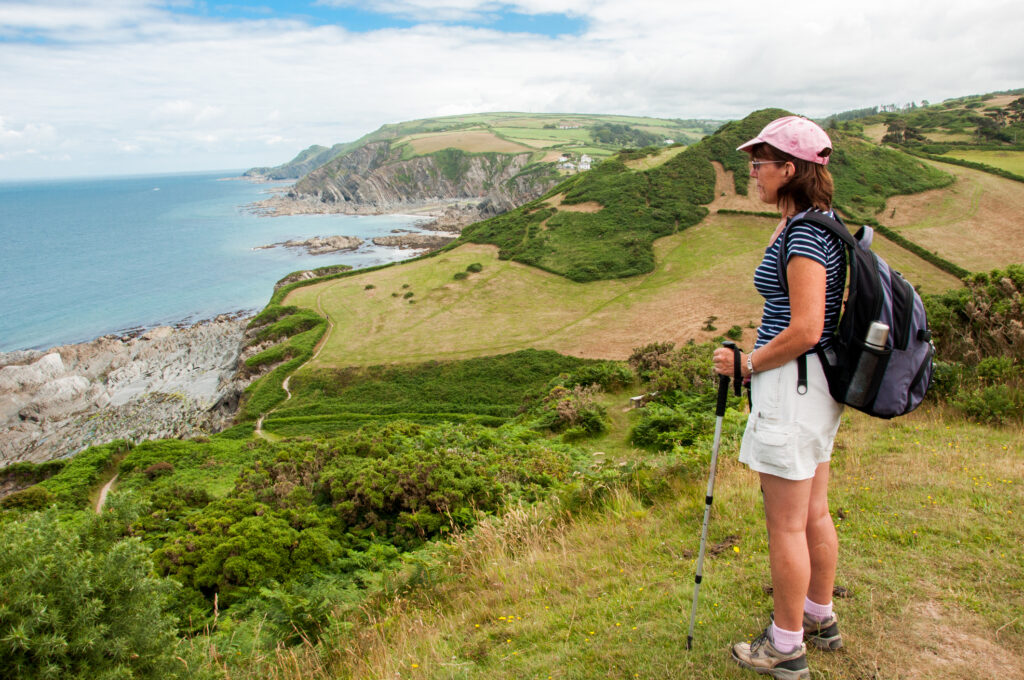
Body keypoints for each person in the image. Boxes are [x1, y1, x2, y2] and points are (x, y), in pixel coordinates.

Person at [712, 115, 846, 680]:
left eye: (759, 165)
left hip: (792, 386)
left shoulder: (807, 234)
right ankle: (818, 616)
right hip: (814, 388)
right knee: (812, 509)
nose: (752, 174)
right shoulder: (817, 223)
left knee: (785, 524)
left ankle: (786, 646)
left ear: (789, 169)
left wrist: (747, 364)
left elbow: (807, 326)